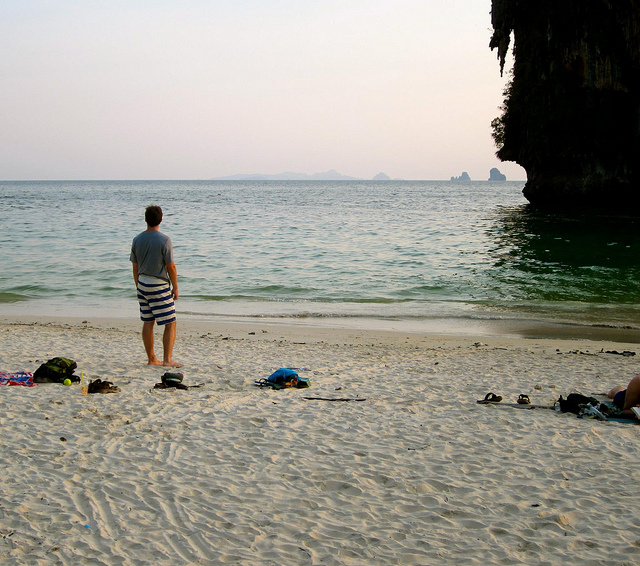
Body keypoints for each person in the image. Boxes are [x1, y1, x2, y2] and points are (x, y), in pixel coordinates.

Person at [130, 205, 182, 367]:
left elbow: (135, 266)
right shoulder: (164, 240)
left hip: (143, 283)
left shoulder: (137, 239)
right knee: (170, 322)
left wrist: (138, 284)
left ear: (146, 219)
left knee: (148, 321)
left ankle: (151, 358)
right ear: (161, 219)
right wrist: (175, 287)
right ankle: (167, 359)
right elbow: (170, 266)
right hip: (158, 284)